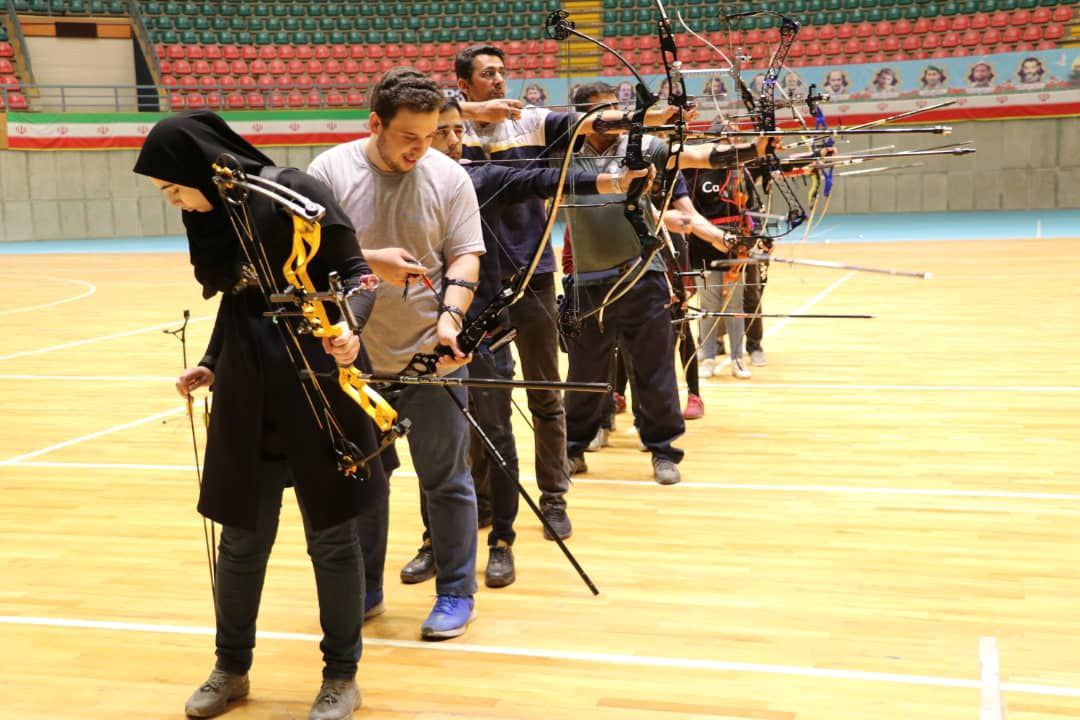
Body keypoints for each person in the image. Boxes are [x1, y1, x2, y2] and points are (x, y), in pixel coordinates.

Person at [135, 110, 405, 720]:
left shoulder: (295, 190)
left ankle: (341, 676)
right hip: (248, 399)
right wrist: (211, 362)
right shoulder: (212, 216)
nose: (175, 200)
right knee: (240, 543)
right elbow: (240, 304)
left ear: (201, 167)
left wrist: (350, 330)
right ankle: (230, 668)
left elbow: (358, 277)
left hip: (319, 392)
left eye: (175, 187)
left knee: (334, 542)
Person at [401, 96, 647, 588]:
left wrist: (614, 181)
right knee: (434, 443)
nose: (452, 141)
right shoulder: (404, 182)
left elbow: (542, 180)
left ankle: (502, 540)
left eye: (456, 131)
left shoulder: (478, 175)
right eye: (442, 132)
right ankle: (436, 537)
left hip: (482, 325)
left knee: (495, 430)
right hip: (421, 329)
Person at [454, 44, 680, 537]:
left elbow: (594, 124)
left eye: (502, 72)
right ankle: (486, 501)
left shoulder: (527, 121)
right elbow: (413, 101)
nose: (499, 81)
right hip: (471, 279)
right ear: (464, 85)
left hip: (532, 273)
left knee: (544, 392)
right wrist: (471, 113)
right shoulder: (448, 130)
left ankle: (554, 496)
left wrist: (646, 117)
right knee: (482, 399)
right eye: (487, 75)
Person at [308, 68, 485, 641]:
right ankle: (365, 589)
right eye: (409, 136)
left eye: (431, 135)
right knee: (365, 480)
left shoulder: (449, 176)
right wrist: (368, 258)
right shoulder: (329, 172)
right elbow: (307, 257)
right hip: (352, 360)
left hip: (432, 357)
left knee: (446, 480)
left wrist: (451, 319)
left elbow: (464, 256)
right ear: (375, 123)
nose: (421, 148)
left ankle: (456, 591)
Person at [560, 82, 736, 485]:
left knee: (654, 369)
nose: (617, 119)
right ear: (583, 119)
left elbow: (693, 155)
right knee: (584, 373)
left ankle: (663, 450)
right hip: (587, 282)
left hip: (644, 276)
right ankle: (573, 448)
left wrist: (756, 150)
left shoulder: (642, 146)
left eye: (618, 110)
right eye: (603, 112)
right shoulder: (565, 155)